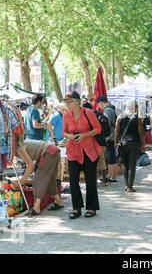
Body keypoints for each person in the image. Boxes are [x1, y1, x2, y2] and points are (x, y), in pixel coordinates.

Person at [62, 91, 102, 219]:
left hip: (89, 150)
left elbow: (98, 129)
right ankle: (76, 207)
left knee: (90, 180)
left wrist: (84, 135)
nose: (67, 104)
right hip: (73, 150)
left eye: (70, 101)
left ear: (78, 101)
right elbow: (63, 132)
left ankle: (91, 207)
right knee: (73, 180)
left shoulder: (88, 113)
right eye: (66, 102)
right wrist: (70, 136)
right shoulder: (66, 115)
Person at [13, 136, 64, 217]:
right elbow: (31, 164)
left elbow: (30, 166)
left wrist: (22, 181)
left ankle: (36, 208)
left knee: (37, 181)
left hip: (48, 153)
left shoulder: (19, 148)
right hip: (53, 151)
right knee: (50, 180)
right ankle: (58, 202)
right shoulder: (20, 145)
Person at [114, 99, 146, 192]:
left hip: (123, 143)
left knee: (125, 164)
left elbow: (116, 131)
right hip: (135, 143)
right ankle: (130, 186)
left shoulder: (120, 117)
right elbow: (141, 133)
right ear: (134, 108)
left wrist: (116, 142)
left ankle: (127, 184)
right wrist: (143, 144)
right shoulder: (137, 119)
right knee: (132, 165)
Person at [83, 102, 108, 186]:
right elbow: (107, 129)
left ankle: (95, 181)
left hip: (93, 142)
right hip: (102, 141)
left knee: (93, 162)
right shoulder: (101, 115)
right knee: (102, 161)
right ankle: (104, 180)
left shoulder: (88, 116)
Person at [97, 96, 118, 183]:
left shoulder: (107, 110)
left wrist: (106, 136)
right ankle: (110, 176)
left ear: (101, 102)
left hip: (110, 136)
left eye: (99, 104)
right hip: (113, 136)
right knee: (110, 157)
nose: (99, 107)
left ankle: (112, 177)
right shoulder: (112, 108)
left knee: (111, 157)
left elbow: (107, 124)